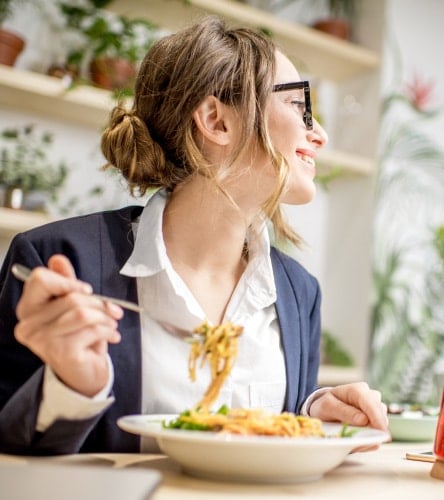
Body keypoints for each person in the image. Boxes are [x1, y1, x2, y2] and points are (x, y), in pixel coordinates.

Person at [0, 16, 387, 455]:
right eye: (299, 106)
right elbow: (10, 449)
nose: (319, 133)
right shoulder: (57, 261)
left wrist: (314, 413)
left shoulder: (300, 292)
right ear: (216, 121)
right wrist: (72, 385)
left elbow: (269, 432)